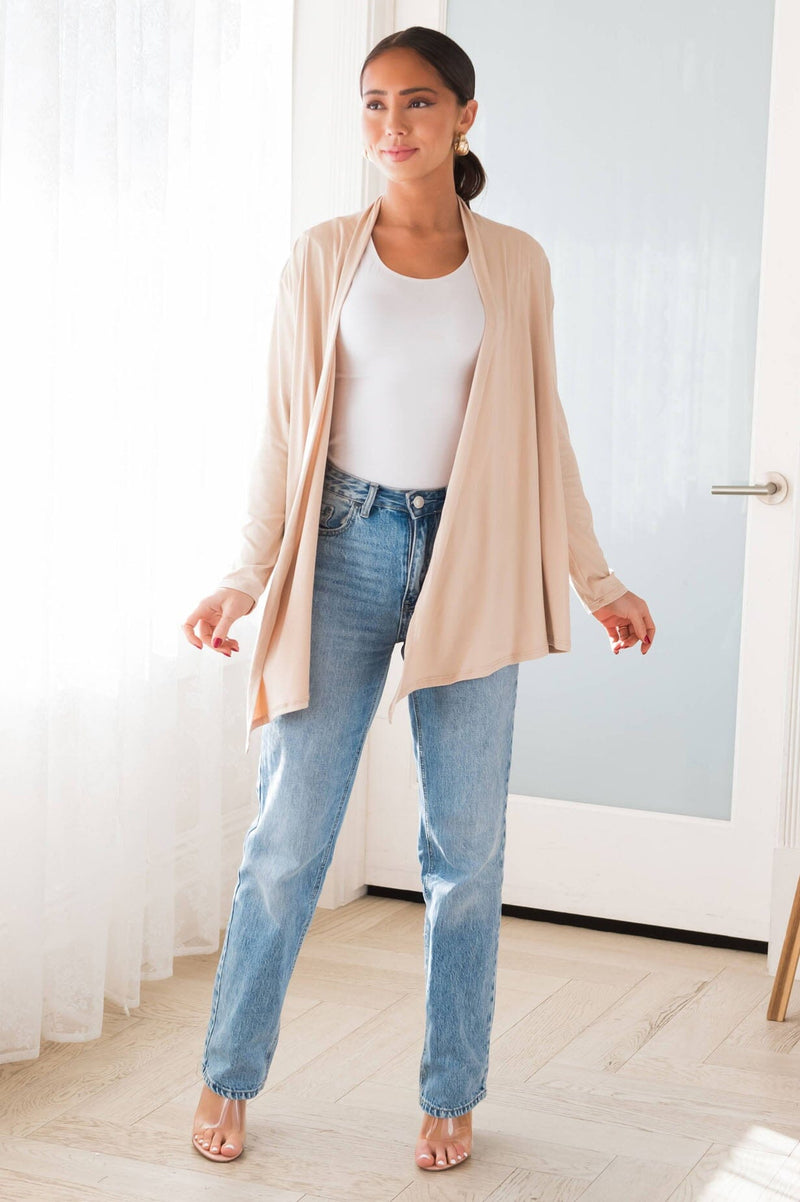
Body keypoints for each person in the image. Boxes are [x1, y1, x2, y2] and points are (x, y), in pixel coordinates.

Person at [183, 25, 655, 1175]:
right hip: (340, 548)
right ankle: (226, 1072)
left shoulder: (516, 263)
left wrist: (594, 577)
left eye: (417, 103)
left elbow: (540, 430)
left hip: (472, 552)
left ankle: (450, 1092)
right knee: (287, 839)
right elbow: (282, 428)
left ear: (463, 117)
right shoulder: (320, 257)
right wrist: (244, 573)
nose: (390, 126)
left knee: (465, 851)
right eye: (373, 104)